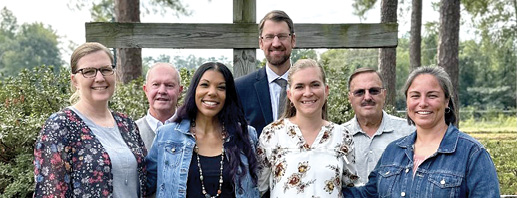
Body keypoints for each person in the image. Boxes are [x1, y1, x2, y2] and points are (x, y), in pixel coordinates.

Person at [343, 66, 500, 197]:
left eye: (432, 96)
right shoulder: (393, 151)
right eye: (415, 96)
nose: (423, 103)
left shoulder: (472, 154)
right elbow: (367, 195)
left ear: (446, 101)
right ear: (407, 101)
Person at [33, 42, 147, 197]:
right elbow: (51, 192)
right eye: (89, 71)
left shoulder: (127, 124)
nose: (99, 78)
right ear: (74, 81)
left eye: (106, 69)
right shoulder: (61, 126)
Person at [146, 62, 259, 198]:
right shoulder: (167, 136)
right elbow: (143, 186)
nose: (212, 92)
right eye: (205, 85)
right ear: (194, 90)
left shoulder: (246, 136)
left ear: (228, 94)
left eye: (221, 87)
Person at [257, 59, 359, 197]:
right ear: (290, 95)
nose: (308, 93)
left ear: (326, 90)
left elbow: (350, 187)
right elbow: (258, 188)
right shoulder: (272, 134)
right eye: (299, 87)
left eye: (315, 85)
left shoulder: (342, 136)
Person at [342, 68, 414, 185]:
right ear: (350, 97)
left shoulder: (409, 132)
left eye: (374, 91)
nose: (367, 97)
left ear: (384, 94)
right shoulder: (338, 136)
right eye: (359, 92)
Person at [235, 10, 296, 136]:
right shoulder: (240, 88)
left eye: (282, 36)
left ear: (293, 40)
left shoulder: (309, 87)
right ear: (261, 43)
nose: (276, 43)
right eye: (269, 37)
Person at [136, 62, 183, 151]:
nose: (162, 91)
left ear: (179, 91)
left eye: (169, 85)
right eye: (156, 84)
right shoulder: (131, 132)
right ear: (146, 90)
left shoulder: (191, 131)